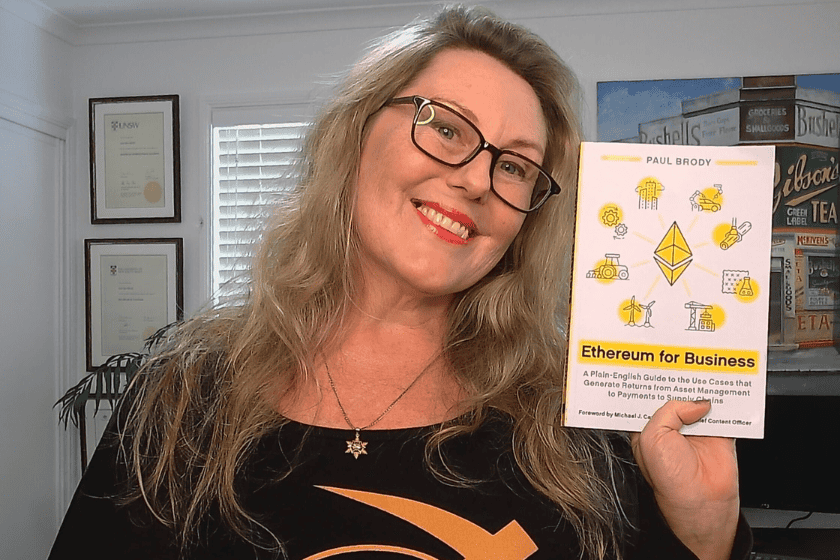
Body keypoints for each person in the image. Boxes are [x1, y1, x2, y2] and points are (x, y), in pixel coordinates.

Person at [50, 5, 751, 560]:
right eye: (447, 128)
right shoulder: (179, 397)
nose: (477, 178)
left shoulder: (578, 423)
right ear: (355, 134)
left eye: (513, 166)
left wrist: (706, 534)